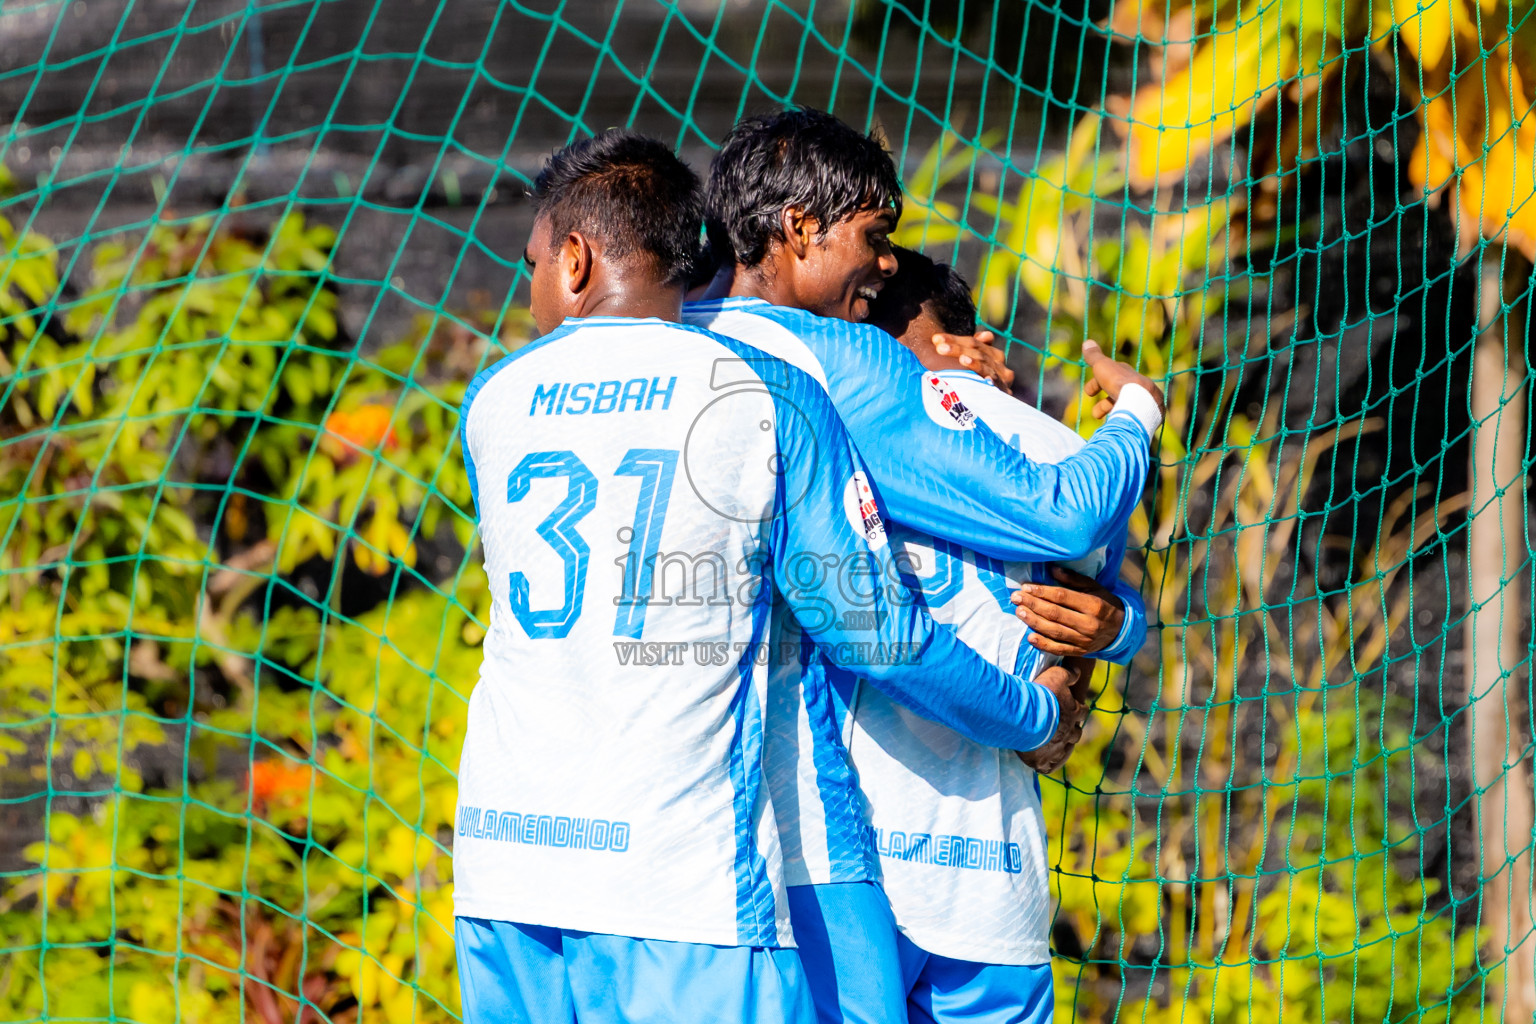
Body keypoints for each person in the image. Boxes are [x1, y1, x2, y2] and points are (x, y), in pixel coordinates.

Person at [453, 130, 1083, 1024]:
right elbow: (876, 633)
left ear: (579, 258)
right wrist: (1035, 713)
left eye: (530, 267)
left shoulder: (498, 398)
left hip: (506, 867)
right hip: (684, 879)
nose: (528, 294)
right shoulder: (770, 394)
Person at [685, 106, 1165, 1023]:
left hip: (679, 833)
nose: (888, 260)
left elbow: (1089, 593)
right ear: (798, 229)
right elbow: (1061, 518)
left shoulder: (661, 335)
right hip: (848, 856)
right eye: (876, 236)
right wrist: (1137, 412)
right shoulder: (843, 363)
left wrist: (1117, 621)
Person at [840, 245, 1151, 1023]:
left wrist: (1114, 631)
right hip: (992, 875)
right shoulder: (1072, 458)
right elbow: (1094, 610)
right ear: (972, 342)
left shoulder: (834, 423)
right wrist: (1120, 631)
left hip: (850, 871)